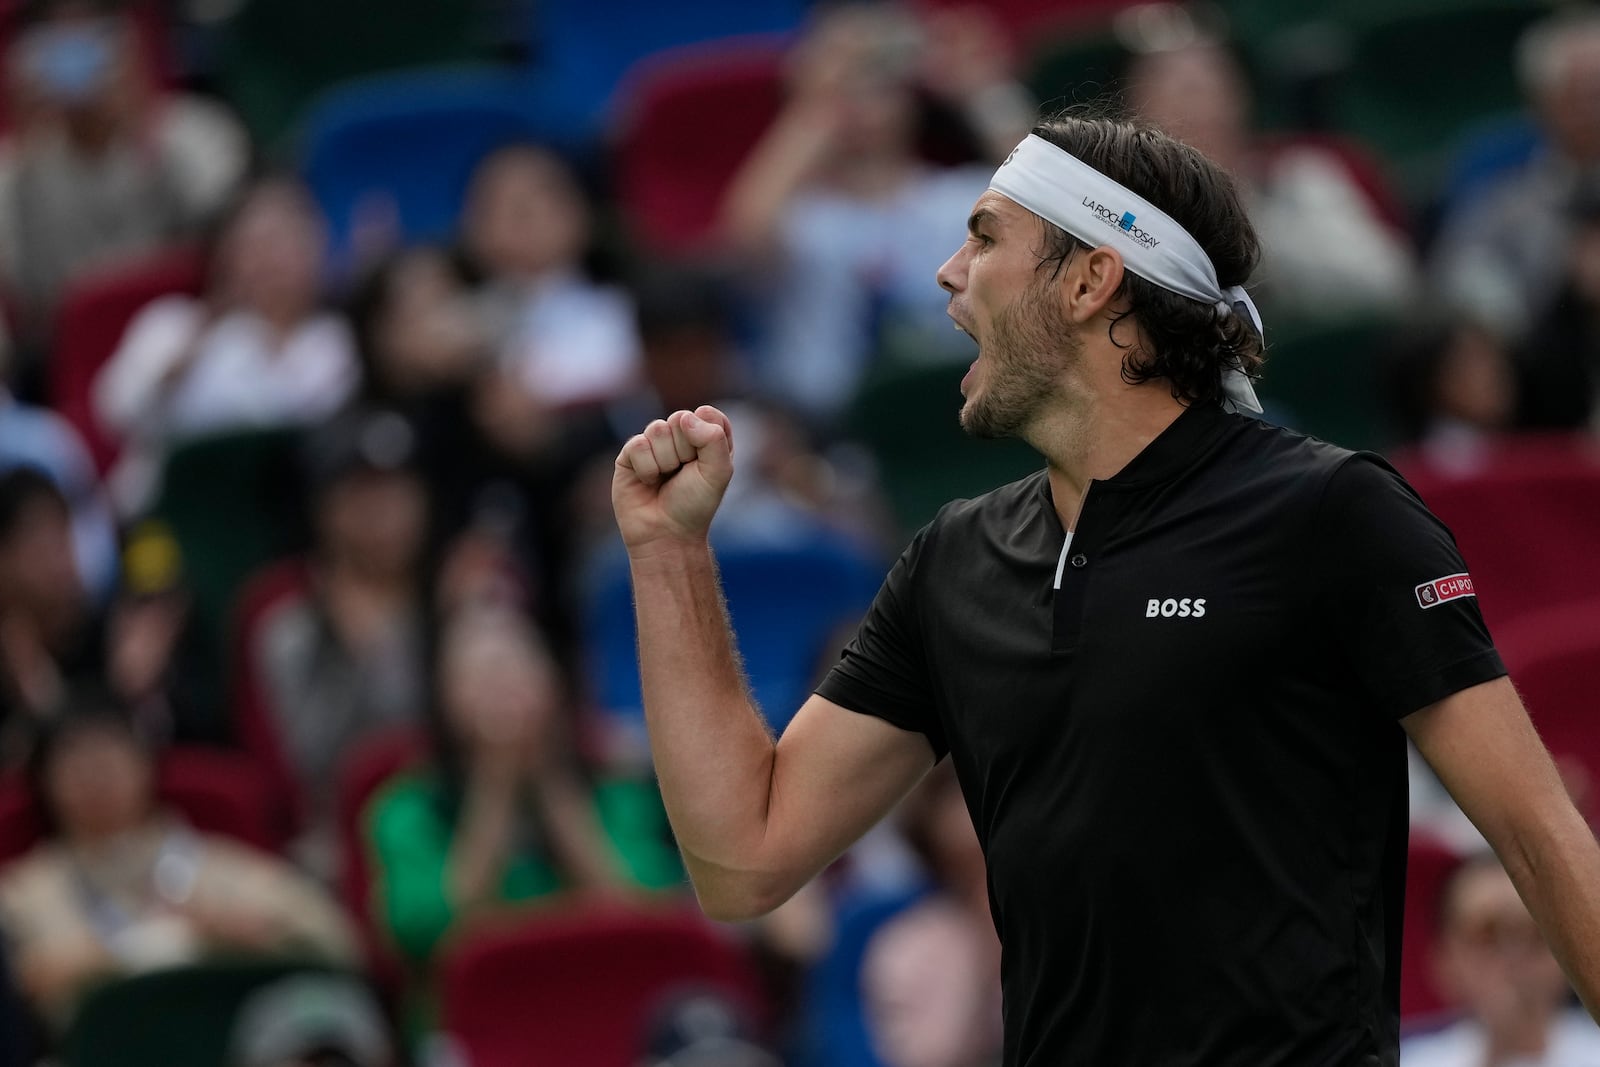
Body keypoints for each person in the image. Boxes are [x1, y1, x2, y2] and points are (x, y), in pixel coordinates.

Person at [611, 111, 1600, 1064]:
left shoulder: (1336, 513)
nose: (948, 276)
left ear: (1090, 280)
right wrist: (667, 555)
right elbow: (744, 859)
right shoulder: (952, 561)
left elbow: (1539, 834)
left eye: (985, 239)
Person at [366, 601, 681, 1033]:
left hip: (606, 1010)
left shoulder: (618, 794)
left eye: (516, 666)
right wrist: (494, 786)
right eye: (480, 674)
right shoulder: (407, 809)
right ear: (443, 696)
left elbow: (646, 919)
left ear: (554, 683)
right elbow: (431, 939)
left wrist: (552, 786)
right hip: (477, 1027)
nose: (502, 688)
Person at [720, 3, 1033, 421]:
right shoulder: (799, 220)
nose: (861, 99)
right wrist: (818, 107)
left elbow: (1046, 200)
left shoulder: (960, 196)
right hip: (831, 424)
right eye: (848, 83)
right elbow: (744, 236)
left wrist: (980, 87)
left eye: (879, 81)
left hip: (954, 409)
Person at [0, 695, 357, 1029]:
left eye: (109, 757)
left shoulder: (218, 865)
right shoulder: (26, 890)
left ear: (146, 764)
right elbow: (26, 984)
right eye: (76, 762)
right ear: (44, 781)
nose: (96, 777)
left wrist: (261, 936)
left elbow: (338, 942)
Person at [238, 407, 431, 878]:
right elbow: (285, 769)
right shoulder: (280, 613)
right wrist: (355, 652)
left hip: (451, 820)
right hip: (331, 843)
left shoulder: (463, 590)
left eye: (398, 491)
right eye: (363, 496)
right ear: (325, 509)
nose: (385, 514)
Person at [92, 175, 358, 515]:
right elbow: (117, 413)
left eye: (284, 242)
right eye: (255, 245)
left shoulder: (340, 342)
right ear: (223, 254)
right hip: (175, 517)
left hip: (292, 520)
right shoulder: (172, 324)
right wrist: (192, 348)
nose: (269, 261)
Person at [0, 0, 248, 357]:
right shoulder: (13, 168)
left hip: (186, 348)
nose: (76, 40)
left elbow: (220, 252)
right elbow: (26, 300)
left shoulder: (200, 133)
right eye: (54, 29)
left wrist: (143, 133)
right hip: (66, 360)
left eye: (95, 24)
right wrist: (27, 162)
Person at [1430, 8, 1600, 338]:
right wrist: (1560, 268)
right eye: (1584, 94)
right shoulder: (1503, 194)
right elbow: (1458, 288)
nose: (1595, 110)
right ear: (1542, 102)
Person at [1401, 854, 1600, 1067]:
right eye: (1488, 934)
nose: (1513, 954)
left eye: (1535, 933)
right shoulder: (1405, 1058)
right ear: (1445, 959)